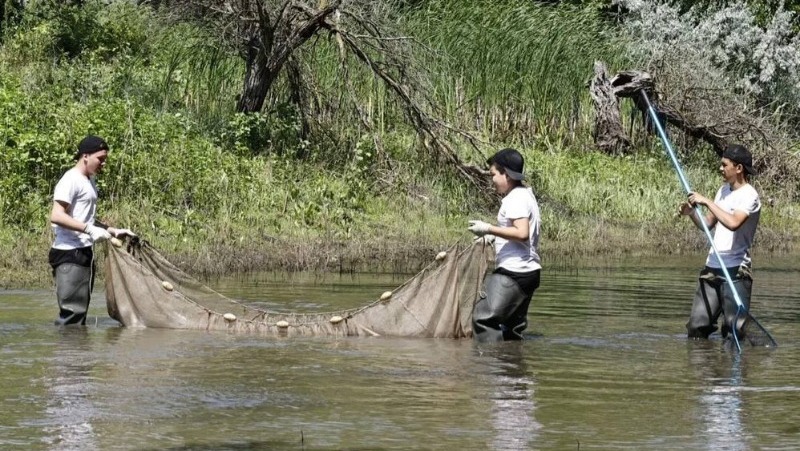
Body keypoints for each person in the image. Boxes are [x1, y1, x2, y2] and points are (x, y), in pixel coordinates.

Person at [48, 135, 135, 326]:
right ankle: (67, 354)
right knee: (72, 315)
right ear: (85, 156)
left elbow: (84, 217)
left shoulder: (89, 180)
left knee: (80, 314)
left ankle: (79, 353)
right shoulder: (70, 179)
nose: (103, 164)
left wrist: (111, 230)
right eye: (100, 159)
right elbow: (57, 216)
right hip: (69, 253)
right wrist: (89, 229)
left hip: (84, 252)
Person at [679, 144, 760, 340]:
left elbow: (733, 223)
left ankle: (733, 367)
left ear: (738, 168)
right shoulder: (722, 191)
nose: (720, 169)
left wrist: (706, 201)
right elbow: (708, 224)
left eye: (725, 165)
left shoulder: (750, 196)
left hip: (736, 271)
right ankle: (703, 367)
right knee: (697, 327)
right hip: (712, 267)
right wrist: (691, 214)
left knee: (734, 332)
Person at [467, 148, 542, 342]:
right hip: (528, 273)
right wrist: (494, 238)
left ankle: (490, 368)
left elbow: (522, 233)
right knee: (511, 330)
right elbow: (518, 232)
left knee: (483, 319)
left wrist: (489, 229)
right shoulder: (525, 195)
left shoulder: (515, 198)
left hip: (514, 271)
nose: (491, 180)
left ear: (506, 174)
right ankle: (513, 367)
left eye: (493, 174)